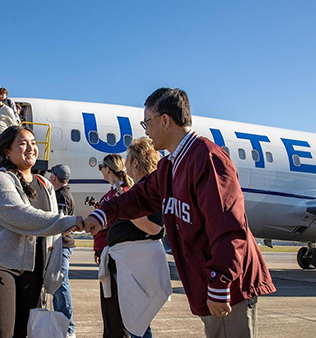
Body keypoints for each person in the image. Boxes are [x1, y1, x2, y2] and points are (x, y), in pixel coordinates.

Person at [84, 88, 276, 338]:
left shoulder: (207, 159)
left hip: (231, 287)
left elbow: (228, 226)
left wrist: (220, 284)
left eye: (147, 122)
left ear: (165, 120)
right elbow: (140, 197)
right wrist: (102, 215)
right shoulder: (169, 167)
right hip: (211, 282)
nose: (146, 130)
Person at [0, 125, 83, 338]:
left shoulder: (45, 185)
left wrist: (52, 273)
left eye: (33, 143)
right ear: (7, 151)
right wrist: (70, 221)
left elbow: (52, 234)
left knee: (22, 333)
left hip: (32, 270)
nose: (30, 148)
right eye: (22, 143)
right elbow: (22, 217)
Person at [98, 137, 170, 338]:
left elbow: (155, 227)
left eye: (127, 158)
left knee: (137, 322)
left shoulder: (148, 190)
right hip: (128, 264)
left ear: (135, 163)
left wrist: (124, 207)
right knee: (132, 321)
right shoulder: (141, 189)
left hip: (136, 267)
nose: (125, 163)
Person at [91, 154, 139, 338]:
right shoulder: (113, 193)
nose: (100, 171)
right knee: (111, 306)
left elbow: (112, 225)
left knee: (115, 307)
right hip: (110, 253)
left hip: (117, 255)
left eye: (101, 167)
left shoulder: (119, 194)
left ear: (108, 169)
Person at [49, 164, 76, 338]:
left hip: (62, 245)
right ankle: (61, 326)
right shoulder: (63, 194)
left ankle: (68, 328)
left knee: (61, 285)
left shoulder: (62, 197)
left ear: (55, 177)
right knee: (57, 287)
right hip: (61, 244)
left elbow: (63, 223)